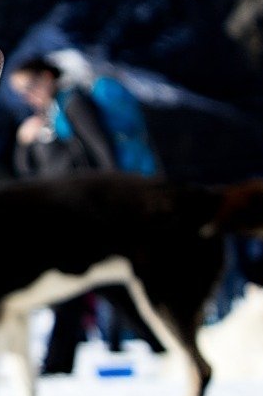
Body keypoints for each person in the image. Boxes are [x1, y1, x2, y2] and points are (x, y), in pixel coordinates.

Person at [9, 55, 160, 372]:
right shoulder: (47, 119)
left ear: (48, 76)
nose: (27, 95)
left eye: (30, 85)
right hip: (70, 214)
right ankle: (163, 345)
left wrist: (113, 201)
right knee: (103, 283)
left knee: (81, 280)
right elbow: (30, 175)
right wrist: (25, 144)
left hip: (90, 212)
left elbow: (102, 150)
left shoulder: (74, 104)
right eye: (21, 90)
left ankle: (59, 362)